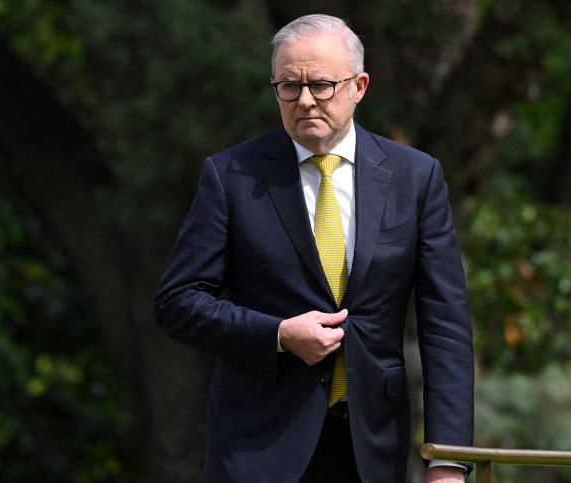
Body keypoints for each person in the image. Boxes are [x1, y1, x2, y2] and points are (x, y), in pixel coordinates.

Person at [153, 14, 474, 483]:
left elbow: (446, 327)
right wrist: (279, 334)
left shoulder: (416, 177)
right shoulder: (231, 175)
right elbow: (176, 302)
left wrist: (448, 460)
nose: (304, 100)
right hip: (258, 444)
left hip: (371, 447)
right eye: (288, 86)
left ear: (358, 87)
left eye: (321, 85)